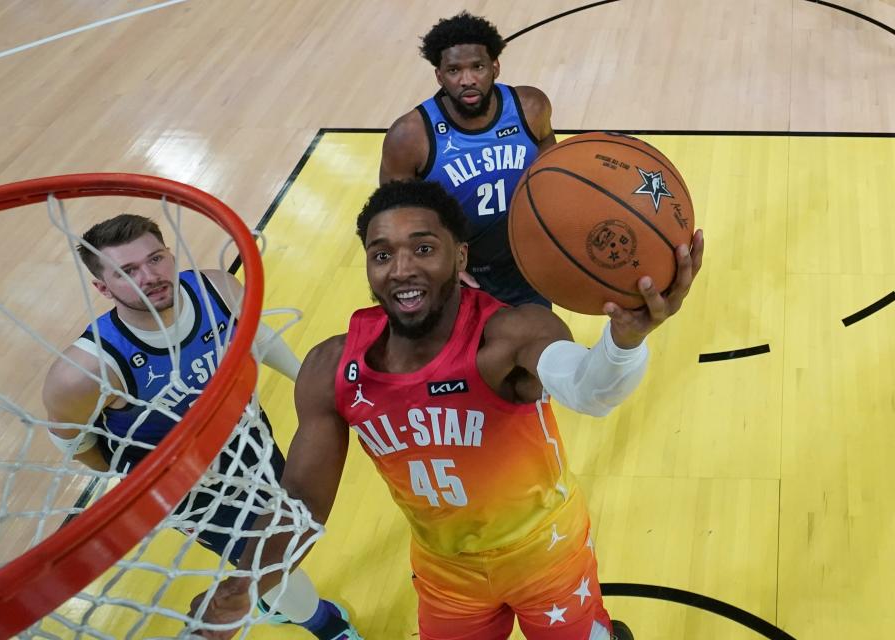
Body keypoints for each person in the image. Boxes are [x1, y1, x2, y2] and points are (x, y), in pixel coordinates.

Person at [191, 180, 704, 639]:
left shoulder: (509, 334)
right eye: (382, 254)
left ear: (459, 258)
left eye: (423, 248)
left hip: (546, 554)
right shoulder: (332, 367)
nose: (403, 268)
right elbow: (301, 503)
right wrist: (240, 590)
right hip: (445, 570)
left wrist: (623, 342)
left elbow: (589, 390)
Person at [41, 214, 362, 640]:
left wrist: (315, 384)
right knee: (267, 562)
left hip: (252, 442)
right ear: (102, 288)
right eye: (127, 271)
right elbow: (72, 441)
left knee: (292, 528)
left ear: (170, 255)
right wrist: (132, 474)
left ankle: (279, 602)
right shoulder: (84, 371)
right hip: (191, 490)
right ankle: (325, 624)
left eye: (155, 259)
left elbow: (257, 338)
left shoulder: (216, 287)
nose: (149, 276)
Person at [380, 12, 556, 307]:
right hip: (457, 273)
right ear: (439, 75)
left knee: (535, 345)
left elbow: (555, 178)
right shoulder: (410, 136)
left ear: (495, 67)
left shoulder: (531, 107)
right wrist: (438, 265)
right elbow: (391, 219)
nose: (467, 80)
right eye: (453, 70)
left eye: (477, 67)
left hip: (526, 264)